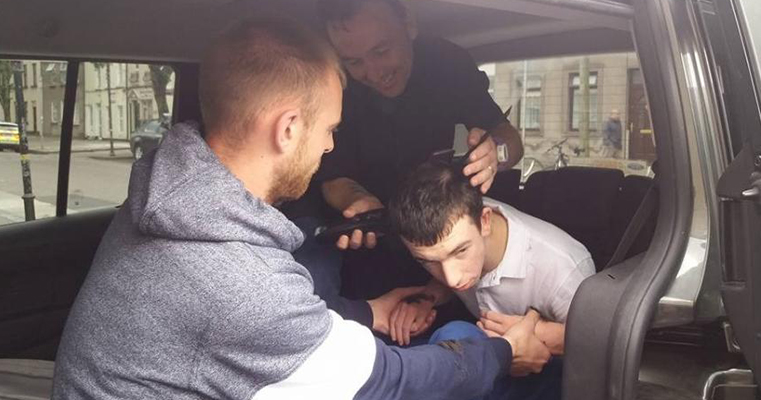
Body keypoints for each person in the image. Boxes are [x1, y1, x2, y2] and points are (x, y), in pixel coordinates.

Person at [52, 18, 544, 399]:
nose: (329, 147)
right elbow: (386, 382)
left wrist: (367, 313)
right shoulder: (241, 280)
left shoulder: (167, 196)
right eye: (329, 129)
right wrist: (502, 352)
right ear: (288, 128)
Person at [296, 0, 524, 335]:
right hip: (370, 243)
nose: (374, 72)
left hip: (436, 235)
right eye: (354, 62)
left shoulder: (447, 64)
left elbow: (510, 140)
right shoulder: (336, 84)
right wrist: (357, 203)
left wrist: (496, 153)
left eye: (381, 51)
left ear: (409, 23)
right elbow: (332, 177)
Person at [386, 161, 595, 366]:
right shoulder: (460, 220)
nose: (452, 279)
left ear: (485, 221)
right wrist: (427, 298)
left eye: (460, 251)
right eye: (429, 262)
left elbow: (597, 345)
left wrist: (542, 333)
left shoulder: (563, 268)